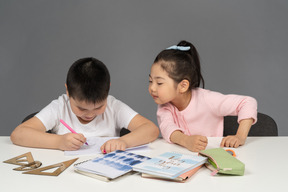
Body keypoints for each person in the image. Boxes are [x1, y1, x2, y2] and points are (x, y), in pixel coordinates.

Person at [11, 57, 159, 153]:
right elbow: (18, 134)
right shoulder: (59, 107)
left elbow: (151, 129)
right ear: (68, 92)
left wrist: (122, 142)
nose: (90, 114)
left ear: (107, 91)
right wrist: (59, 142)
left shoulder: (114, 107)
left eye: (98, 107)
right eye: (81, 108)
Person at [148, 40, 257, 152]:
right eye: (150, 81)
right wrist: (186, 140)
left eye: (159, 83)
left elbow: (247, 102)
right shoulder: (164, 106)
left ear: (183, 85)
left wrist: (240, 136)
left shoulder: (207, 99)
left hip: (214, 156)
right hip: (183, 159)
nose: (152, 88)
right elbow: (167, 128)